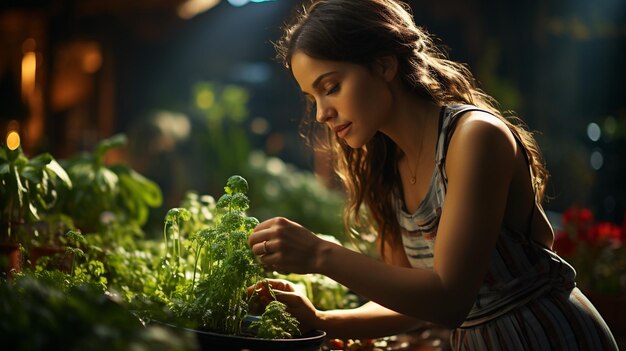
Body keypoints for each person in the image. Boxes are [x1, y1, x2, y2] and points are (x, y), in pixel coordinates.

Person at [247, 0, 619, 349]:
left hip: (547, 337)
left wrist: (318, 254)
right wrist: (320, 318)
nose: (321, 114)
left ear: (384, 65)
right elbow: (412, 301)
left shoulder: (474, 137)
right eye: (313, 99)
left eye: (331, 88)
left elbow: (450, 299)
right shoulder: (387, 170)